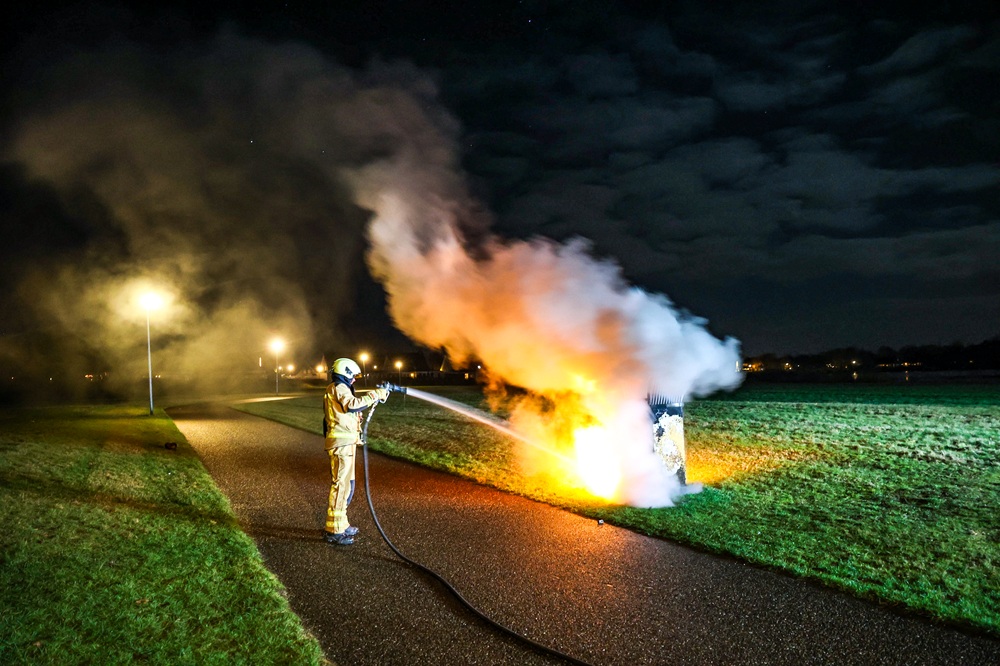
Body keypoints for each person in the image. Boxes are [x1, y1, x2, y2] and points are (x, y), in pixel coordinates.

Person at [323, 357, 389, 545]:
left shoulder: (338, 389)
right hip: (341, 445)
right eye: (352, 377)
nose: (354, 381)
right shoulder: (338, 387)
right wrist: (375, 395)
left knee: (348, 486)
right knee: (341, 486)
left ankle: (341, 525)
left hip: (347, 444)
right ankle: (334, 531)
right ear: (345, 373)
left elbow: (351, 408)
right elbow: (352, 404)